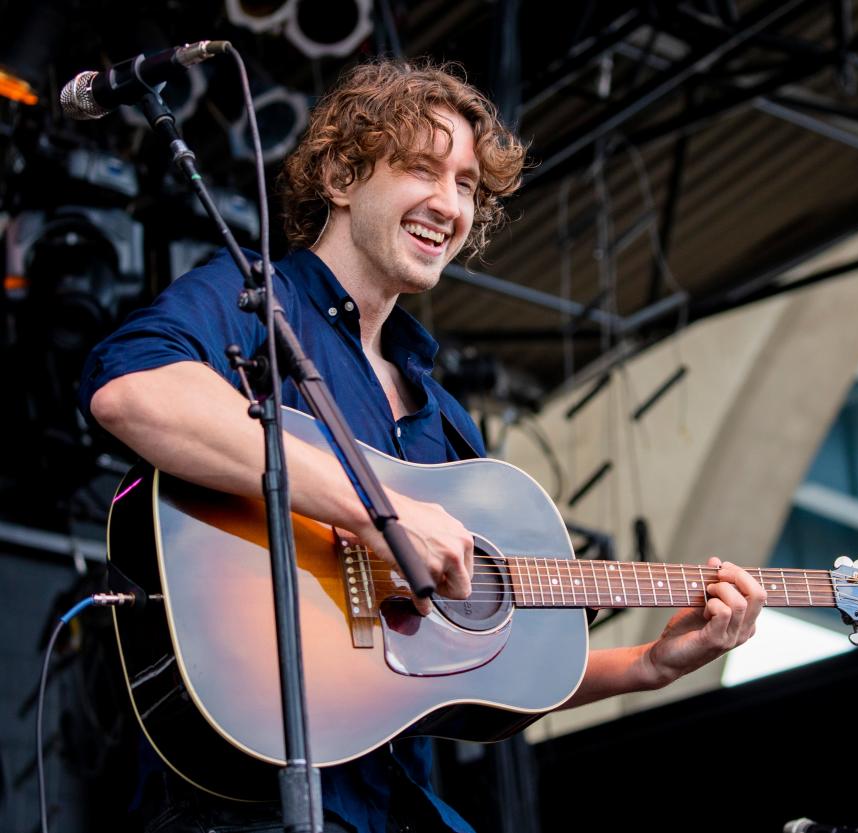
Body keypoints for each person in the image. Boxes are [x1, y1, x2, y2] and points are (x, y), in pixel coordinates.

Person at [79, 59, 766, 833]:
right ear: (342, 175)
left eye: (468, 184)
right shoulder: (255, 300)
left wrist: (648, 666)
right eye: (421, 169)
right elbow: (132, 390)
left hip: (392, 806)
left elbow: (483, 673)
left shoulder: (440, 420)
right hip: (245, 805)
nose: (450, 204)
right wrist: (381, 515)